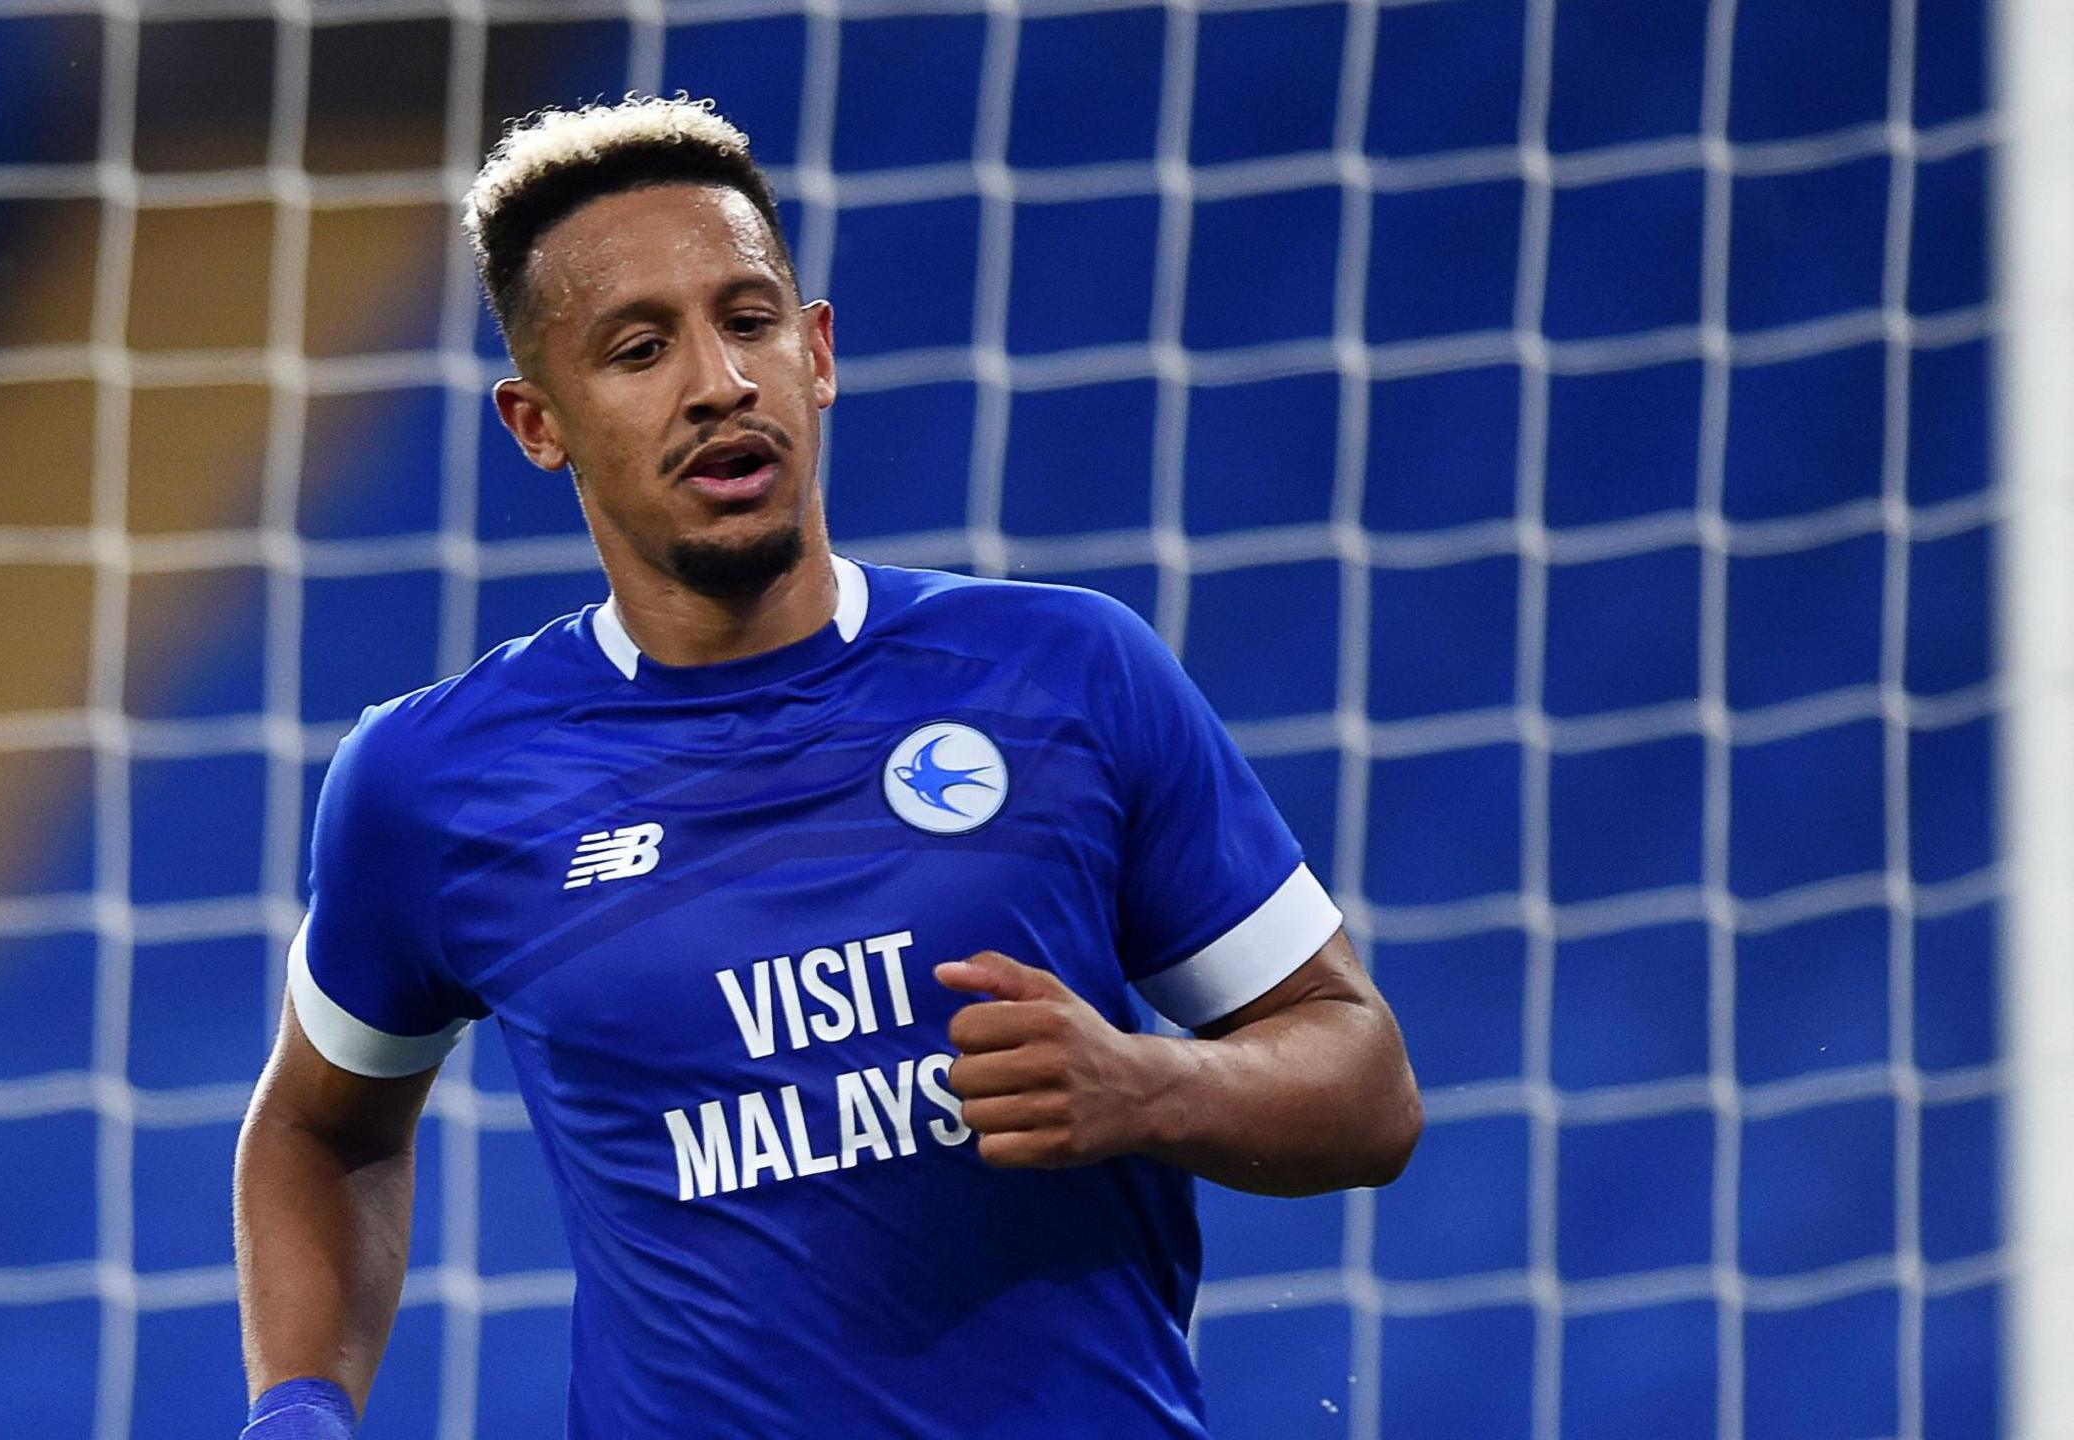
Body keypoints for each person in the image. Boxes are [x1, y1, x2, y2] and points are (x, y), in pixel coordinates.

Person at [233, 95, 1420, 1440]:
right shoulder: (430, 781)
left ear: (818, 353)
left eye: (746, 323)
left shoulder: (1066, 671)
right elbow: (323, 1130)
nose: (716, 383)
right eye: (638, 348)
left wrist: (1156, 1087)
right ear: (536, 422)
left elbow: (1367, 1087)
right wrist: (300, 1412)